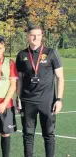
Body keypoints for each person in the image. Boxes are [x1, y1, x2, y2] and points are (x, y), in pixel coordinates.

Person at [16, 24, 64, 157]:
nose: (35, 37)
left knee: (49, 134)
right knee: (28, 135)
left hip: (47, 101)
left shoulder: (51, 53)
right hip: (27, 101)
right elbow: (19, 79)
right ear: (27, 37)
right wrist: (18, 98)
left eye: (38, 34)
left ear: (42, 36)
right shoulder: (21, 55)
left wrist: (59, 100)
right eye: (32, 35)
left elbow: (60, 77)